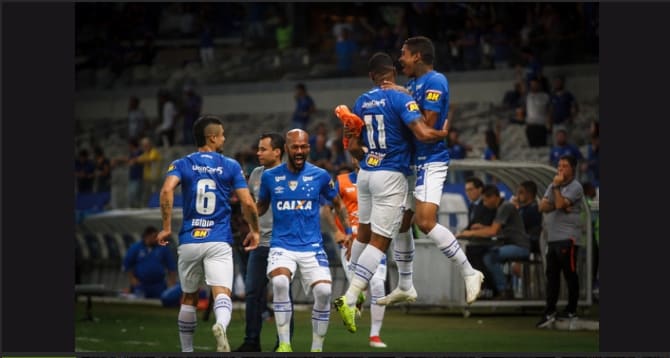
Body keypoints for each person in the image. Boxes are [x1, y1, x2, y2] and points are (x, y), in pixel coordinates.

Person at [333, 51, 453, 334]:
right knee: (381, 240)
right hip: (391, 173)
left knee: (363, 232)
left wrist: (366, 156)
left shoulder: (362, 101)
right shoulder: (401, 98)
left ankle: (356, 289)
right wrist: (443, 133)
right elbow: (422, 132)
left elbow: (350, 147)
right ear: (392, 74)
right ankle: (350, 298)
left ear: (372, 77)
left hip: (365, 173)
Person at [376, 36, 484, 307]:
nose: (400, 59)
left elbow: (426, 125)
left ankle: (470, 272)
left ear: (418, 56)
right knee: (401, 222)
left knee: (424, 222)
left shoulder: (436, 81)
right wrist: (402, 92)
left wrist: (403, 108)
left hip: (430, 160)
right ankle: (405, 286)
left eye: (404, 54)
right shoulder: (413, 84)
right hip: (412, 161)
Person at [156, 115, 261, 352]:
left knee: (189, 297)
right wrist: (255, 230)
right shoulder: (231, 165)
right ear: (212, 137)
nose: (224, 138)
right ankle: (221, 326)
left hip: (190, 240)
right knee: (222, 292)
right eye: (222, 134)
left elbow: (166, 191)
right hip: (218, 239)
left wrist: (166, 227)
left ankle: (187, 350)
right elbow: (247, 202)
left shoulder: (181, 163)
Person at [255, 129, 351, 352]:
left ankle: (316, 348)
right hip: (282, 245)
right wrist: (248, 211)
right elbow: (260, 207)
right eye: (295, 147)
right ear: (286, 148)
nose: (300, 151)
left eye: (304, 147)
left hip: (311, 246)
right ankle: (285, 344)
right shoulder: (270, 177)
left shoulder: (320, 175)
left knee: (325, 293)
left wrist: (347, 231)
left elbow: (338, 203)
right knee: (279, 283)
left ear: (308, 148)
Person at [234, 132, 295, 352]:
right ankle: (252, 341)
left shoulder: (291, 174)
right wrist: (252, 229)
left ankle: (283, 342)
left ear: (277, 152)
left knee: (283, 294)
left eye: (263, 149)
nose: (258, 153)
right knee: (252, 293)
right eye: (258, 149)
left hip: (283, 245)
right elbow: (250, 206)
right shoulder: (256, 175)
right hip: (260, 244)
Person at [322, 159, 388, 348]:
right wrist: (337, 232)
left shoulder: (380, 180)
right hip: (351, 242)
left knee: (378, 285)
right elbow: (327, 209)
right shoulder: (341, 181)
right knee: (358, 285)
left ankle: (375, 335)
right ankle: (356, 300)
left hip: (375, 241)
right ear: (353, 158)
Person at [457, 185, 530, 300]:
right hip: (510, 245)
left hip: (520, 246)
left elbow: (492, 231)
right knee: (484, 254)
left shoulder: (505, 207)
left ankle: (503, 289)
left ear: (494, 197)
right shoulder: (501, 207)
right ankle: (494, 287)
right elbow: (497, 229)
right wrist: (482, 228)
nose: (484, 204)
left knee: (490, 257)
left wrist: (469, 233)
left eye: (485, 200)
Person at [536, 154, 584, 328]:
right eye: (559, 165)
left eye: (564, 165)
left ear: (572, 168)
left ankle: (571, 309)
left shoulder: (575, 186)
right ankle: (550, 311)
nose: (560, 169)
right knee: (552, 276)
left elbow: (557, 205)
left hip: (568, 238)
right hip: (553, 238)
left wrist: (558, 197)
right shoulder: (553, 184)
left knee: (570, 275)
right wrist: (560, 203)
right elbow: (543, 207)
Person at [123, 226, 177, 299]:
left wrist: (172, 283)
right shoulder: (136, 247)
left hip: (159, 285)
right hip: (141, 284)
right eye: (154, 236)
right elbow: (127, 264)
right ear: (147, 236)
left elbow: (171, 267)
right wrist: (132, 279)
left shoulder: (163, 249)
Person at [134, 137, 162, 207]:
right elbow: (139, 159)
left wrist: (137, 160)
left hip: (155, 177)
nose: (145, 147)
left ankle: (161, 206)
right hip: (147, 178)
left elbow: (149, 159)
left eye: (146, 145)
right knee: (146, 194)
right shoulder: (146, 153)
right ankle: (145, 206)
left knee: (159, 193)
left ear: (150, 144)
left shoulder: (154, 152)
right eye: (143, 145)